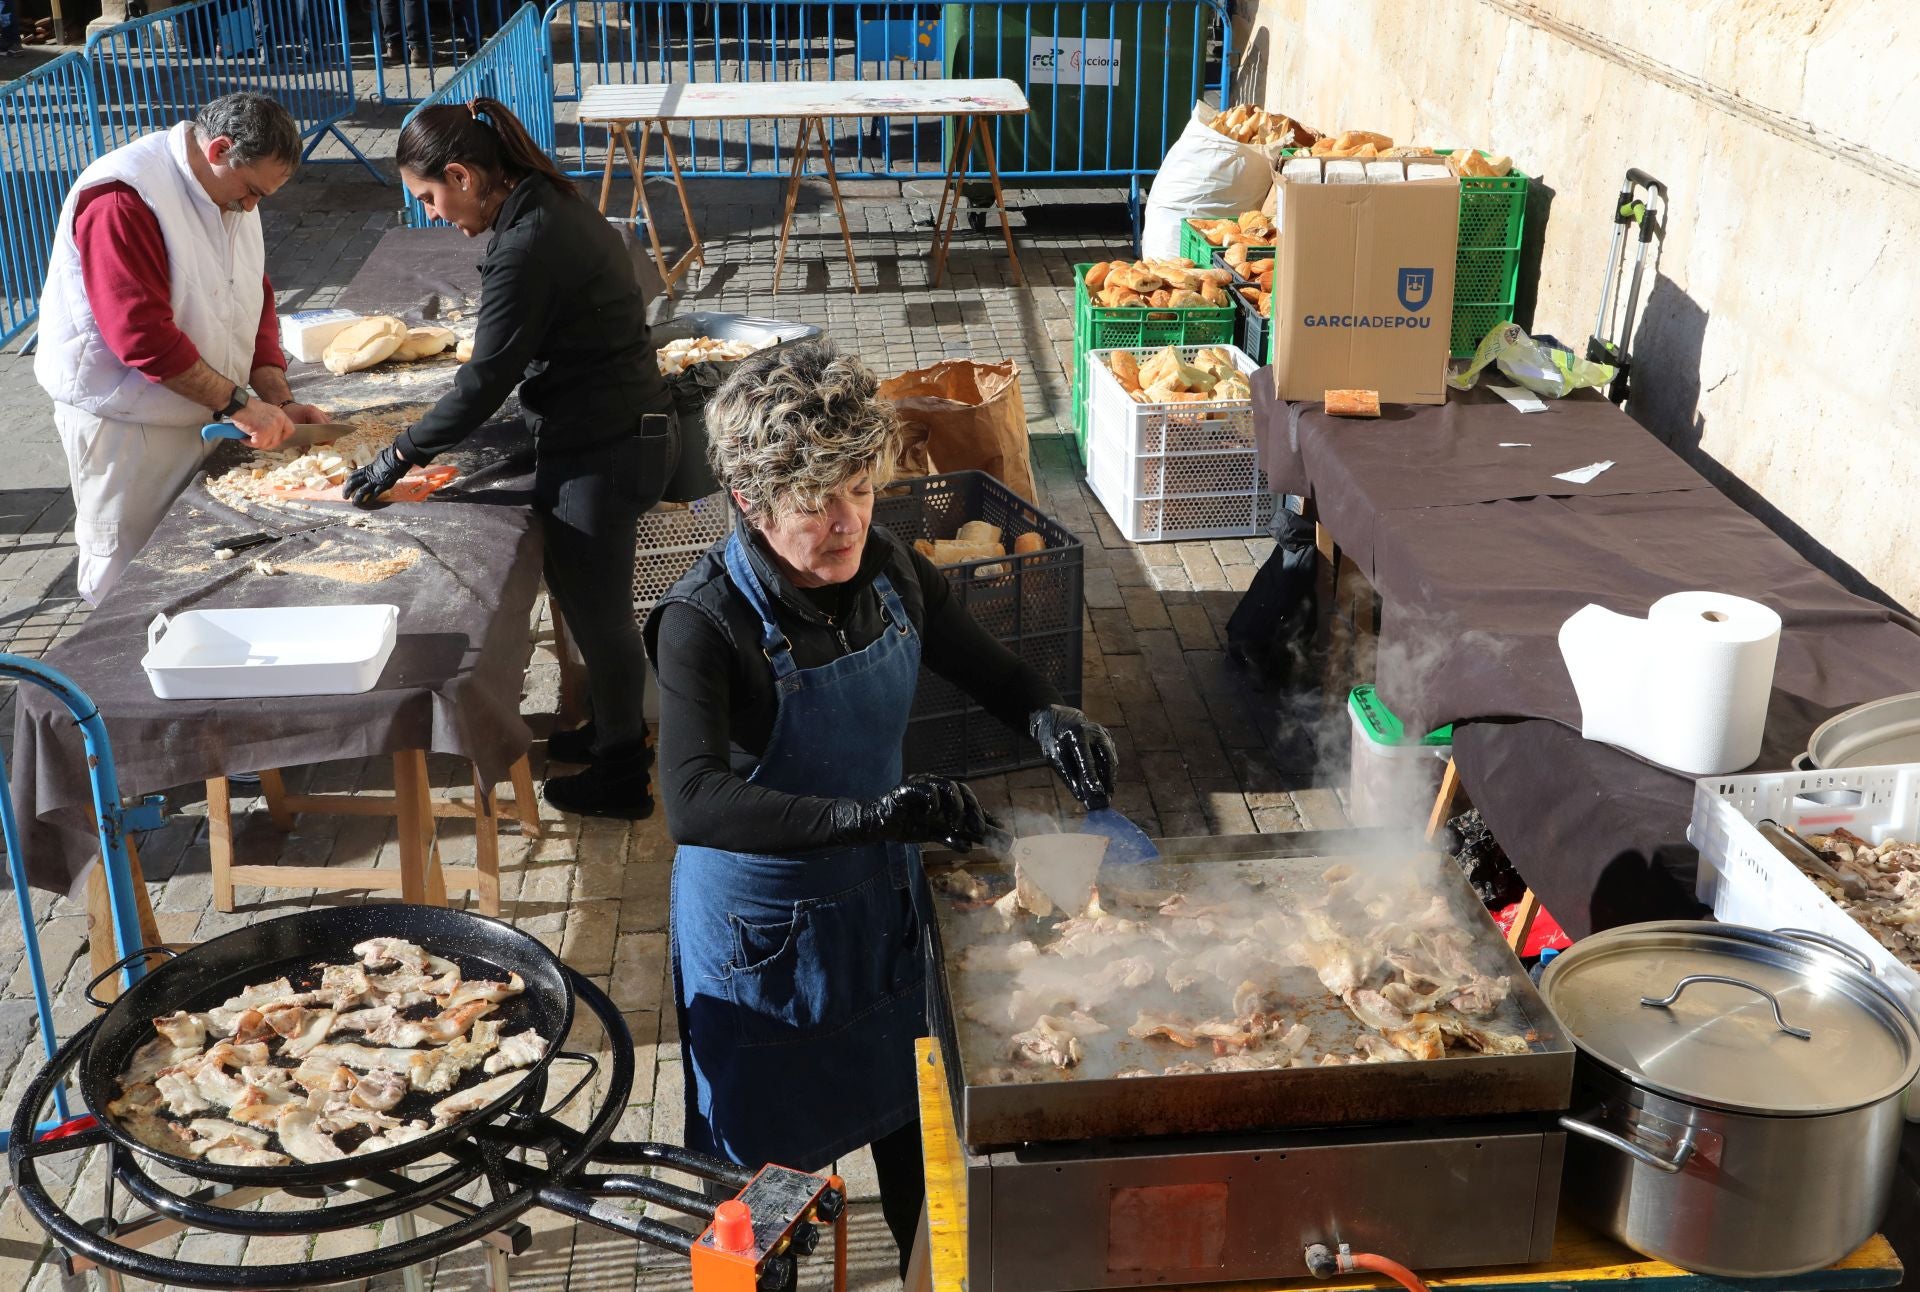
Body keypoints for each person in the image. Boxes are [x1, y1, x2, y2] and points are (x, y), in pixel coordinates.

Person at [644, 339, 1118, 1274]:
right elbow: (694, 804)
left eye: (860, 489)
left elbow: (986, 667)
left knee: (923, 1156)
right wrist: (872, 818)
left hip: (883, 923)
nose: (847, 519)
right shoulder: (705, 625)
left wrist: (1046, 714)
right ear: (749, 498)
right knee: (768, 1208)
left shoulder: (891, 569)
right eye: (817, 500)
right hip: (765, 951)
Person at [352, 97, 676, 819]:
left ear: (464, 175)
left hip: (605, 445)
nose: (433, 215)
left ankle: (624, 778)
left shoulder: (530, 237)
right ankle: (615, 734)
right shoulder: (541, 202)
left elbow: (482, 379)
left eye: (431, 198)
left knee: (602, 619)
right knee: (591, 610)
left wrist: (400, 453)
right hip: (606, 430)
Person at [34, 92, 327, 605]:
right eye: (251, 191)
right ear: (218, 150)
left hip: (203, 409)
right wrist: (240, 405)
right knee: (127, 575)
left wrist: (276, 399)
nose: (252, 206)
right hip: (125, 426)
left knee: (202, 563)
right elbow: (141, 336)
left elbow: (251, 296)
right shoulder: (124, 199)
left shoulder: (228, 187)